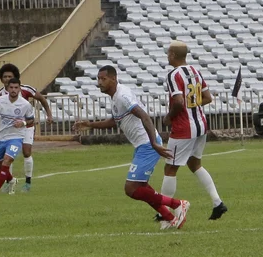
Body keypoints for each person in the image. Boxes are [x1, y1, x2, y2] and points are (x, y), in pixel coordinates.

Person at [74, 65, 189, 229]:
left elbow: (144, 116)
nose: (99, 82)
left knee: (131, 188)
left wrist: (154, 144)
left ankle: (178, 204)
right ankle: (169, 217)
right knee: (141, 187)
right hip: (142, 145)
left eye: (103, 79)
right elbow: (114, 121)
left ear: (114, 78)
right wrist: (90, 125)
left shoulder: (123, 96)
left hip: (147, 144)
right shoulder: (115, 97)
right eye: (98, 79)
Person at [160, 41, 228, 220]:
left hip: (184, 128)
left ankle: (164, 210)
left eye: (168, 53)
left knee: (170, 168)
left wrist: (169, 117)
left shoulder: (174, 75)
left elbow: (179, 102)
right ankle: (217, 203)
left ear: (173, 55)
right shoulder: (195, 71)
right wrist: (193, 106)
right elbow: (207, 98)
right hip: (201, 125)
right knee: (194, 164)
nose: (167, 56)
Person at [0, 63, 53, 192]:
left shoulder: (25, 89)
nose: (7, 78)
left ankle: (27, 182)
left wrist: (49, 114)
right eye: (5, 76)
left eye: (10, 76)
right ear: (1, 78)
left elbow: (41, 98)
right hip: (11, 130)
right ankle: (9, 182)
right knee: (7, 157)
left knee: (26, 152)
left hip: (27, 127)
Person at [0, 78, 35, 197]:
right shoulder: (0, 101)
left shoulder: (25, 104)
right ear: (8, 88)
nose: (13, 90)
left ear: (19, 88)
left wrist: (22, 123)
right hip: (1, 137)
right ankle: (12, 180)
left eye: (16, 88)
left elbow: (31, 119)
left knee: (7, 160)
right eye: (11, 87)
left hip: (16, 138)